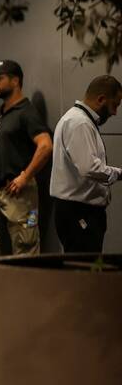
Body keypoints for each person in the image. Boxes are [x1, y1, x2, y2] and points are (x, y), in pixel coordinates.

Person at [0, 60, 53, 256]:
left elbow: (46, 145)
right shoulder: (3, 113)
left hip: (19, 195)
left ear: (15, 81)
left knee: (25, 248)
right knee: (1, 252)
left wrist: (25, 176)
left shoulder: (26, 112)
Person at [51, 75, 122, 253]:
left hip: (78, 211)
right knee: (84, 266)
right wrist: (120, 173)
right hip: (79, 212)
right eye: (115, 105)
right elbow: (89, 168)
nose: (115, 112)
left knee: (84, 264)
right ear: (101, 99)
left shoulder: (77, 120)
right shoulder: (79, 123)